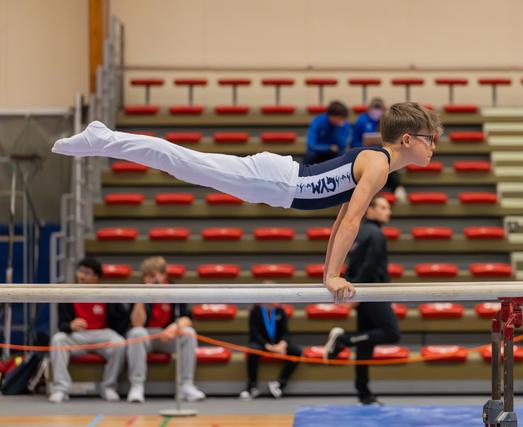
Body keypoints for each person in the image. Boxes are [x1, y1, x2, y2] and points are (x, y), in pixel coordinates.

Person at [52, 102, 442, 303]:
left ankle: (104, 139)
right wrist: (331, 276)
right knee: (180, 162)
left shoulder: (380, 166)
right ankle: (102, 138)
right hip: (274, 180)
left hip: (275, 186)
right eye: (430, 138)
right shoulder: (378, 163)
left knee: (182, 165)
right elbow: (353, 222)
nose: (434, 146)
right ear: (407, 139)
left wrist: (328, 275)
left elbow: (342, 222)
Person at [322, 195, 400, 405]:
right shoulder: (376, 234)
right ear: (371, 210)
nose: (388, 212)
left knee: (365, 345)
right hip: (373, 292)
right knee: (391, 333)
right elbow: (369, 265)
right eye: (383, 208)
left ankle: (363, 392)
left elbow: (352, 263)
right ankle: (344, 340)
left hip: (362, 290)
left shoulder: (360, 232)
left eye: (388, 208)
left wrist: (353, 288)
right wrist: (357, 292)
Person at [48, 257, 129, 403]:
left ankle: (109, 387)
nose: (82, 276)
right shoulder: (67, 294)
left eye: (87, 273)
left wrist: (114, 331)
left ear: (96, 277)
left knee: (120, 342)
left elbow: (123, 317)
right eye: (80, 271)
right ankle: (60, 389)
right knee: (58, 339)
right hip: (78, 337)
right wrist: (70, 325)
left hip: (102, 335)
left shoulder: (107, 294)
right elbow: (62, 325)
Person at [125, 256, 205, 403]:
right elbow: (137, 324)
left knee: (189, 333)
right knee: (136, 333)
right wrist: (142, 296)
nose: (150, 280)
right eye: (146, 276)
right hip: (147, 336)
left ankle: (186, 385)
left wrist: (173, 328)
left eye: (153, 275)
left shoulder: (175, 290)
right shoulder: (138, 290)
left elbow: (187, 318)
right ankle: (137, 386)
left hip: (168, 335)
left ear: (163, 275)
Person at [240, 303, 301, 400]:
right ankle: (252, 387)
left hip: (278, 344)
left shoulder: (280, 311)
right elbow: (254, 333)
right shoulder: (255, 311)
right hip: (262, 344)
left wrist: (282, 344)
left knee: (296, 352)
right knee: (252, 351)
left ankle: (279, 384)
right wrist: (268, 346)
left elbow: (286, 332)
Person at [350, 98, 405, 202]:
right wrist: (363, 145)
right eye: (374, 109)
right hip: (364, 152)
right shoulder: (362, 121)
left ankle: (397, 187)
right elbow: (354, 142)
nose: (376, 113)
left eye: (379, 110)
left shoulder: (387, 122)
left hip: (382, 152)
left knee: (390, 160)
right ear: (369, 109)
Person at [303, 100, 351, 165]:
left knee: (342, 154)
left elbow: (342, 145)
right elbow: (311, 144)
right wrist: (328, 148)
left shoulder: (343, 125)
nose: (342, 120)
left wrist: (339, 128)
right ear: (331, 116)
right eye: (339, 118)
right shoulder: (318, 121)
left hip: (333, 154)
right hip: (318, 152)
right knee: (310, 154)